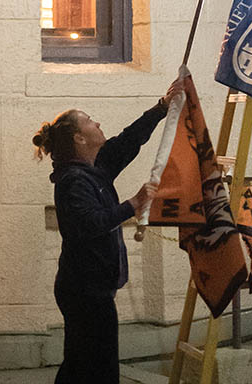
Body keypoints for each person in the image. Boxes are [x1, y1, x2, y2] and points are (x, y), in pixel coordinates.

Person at [33, 80, 183, 384]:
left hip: (89, 289)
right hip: (85, 292)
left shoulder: (94, 167)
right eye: (89, 121)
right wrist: (135, 203)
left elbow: (128, 142)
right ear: (80, 138)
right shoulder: (74, 181)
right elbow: (90, 224)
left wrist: (161, 108)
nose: (97, 122)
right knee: (98, 370)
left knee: (80, 365)